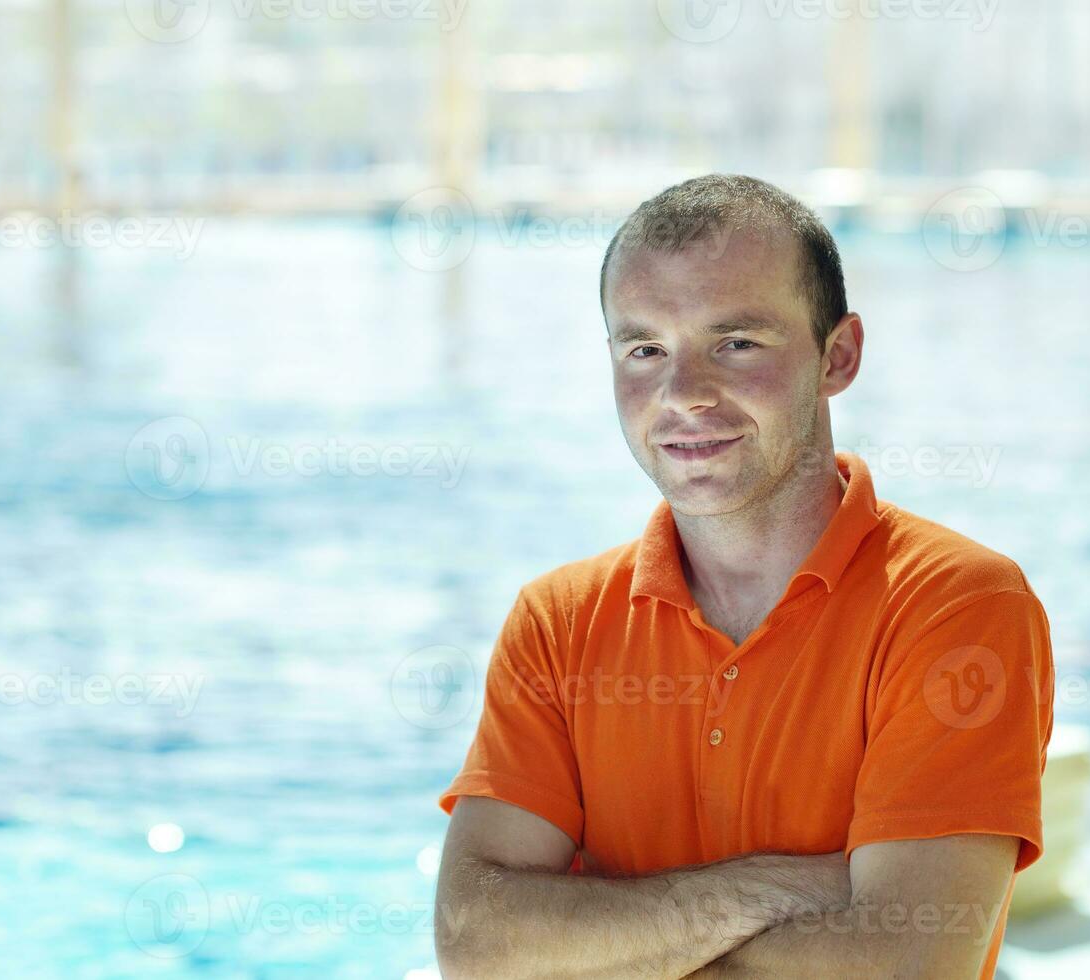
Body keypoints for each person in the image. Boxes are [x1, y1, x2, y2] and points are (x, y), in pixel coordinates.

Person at [433, 174, 1055, 979]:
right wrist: (777, 889)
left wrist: (594, 943)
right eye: (644, 350)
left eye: (736, 343)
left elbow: (904, 964)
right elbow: (474, 941)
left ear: (838, 356)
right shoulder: (558, 621)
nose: (683, 394)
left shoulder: (954, 605)